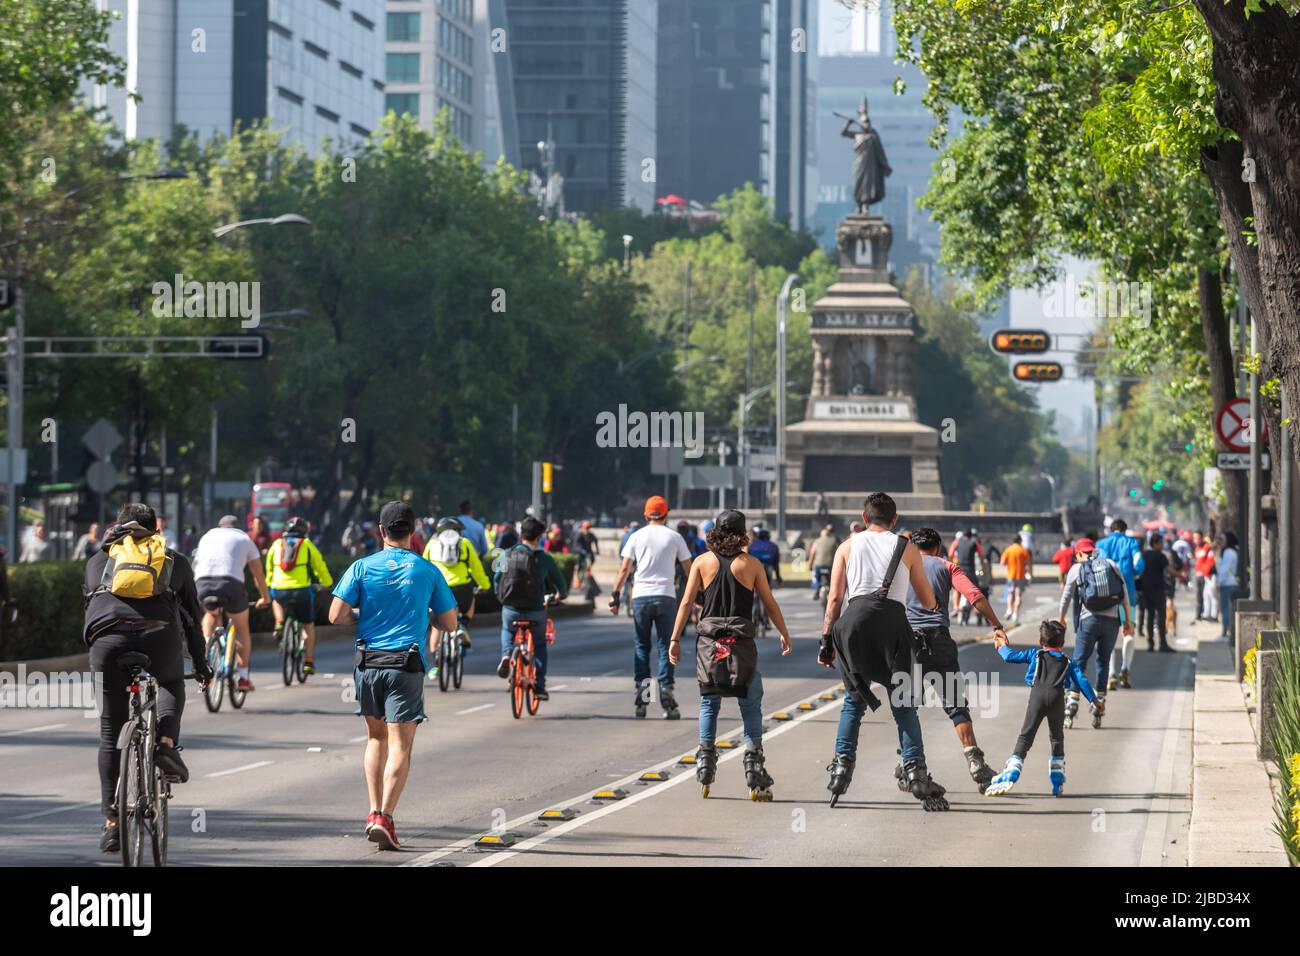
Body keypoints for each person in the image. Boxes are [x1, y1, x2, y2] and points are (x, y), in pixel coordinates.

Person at [83, 502, 211, 853]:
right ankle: (166, 745)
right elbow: (192, 619)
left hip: (109, 640)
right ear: (156, 531)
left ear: (117, 528)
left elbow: (91, 605)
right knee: (170, 683)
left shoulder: (98, 560)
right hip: (160, 636)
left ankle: (111, 822)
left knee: (111, 732)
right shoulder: (173, 560)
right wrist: (201, 666)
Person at [329, 501, 458, 850]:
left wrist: (365, 614)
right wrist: (422, 615)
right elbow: (449, 623)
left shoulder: (361, 567)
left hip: (368, 663)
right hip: (406, 665)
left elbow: (335, 615)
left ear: (381, 531)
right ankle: (385, 816)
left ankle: (372, 811)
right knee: (400, 744)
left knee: (375, 740)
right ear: (413, 532)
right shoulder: (427, 571)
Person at [818, 492, 950, 810]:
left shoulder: (847, 546)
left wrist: (826, 641)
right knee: (904, 704)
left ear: (864, 518)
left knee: (853, 702)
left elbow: (834, 599)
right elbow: (924, 595)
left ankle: (840, 769)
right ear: (895, 520)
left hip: (853, 625)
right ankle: (916, 771)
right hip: (893, 627)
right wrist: (934, 605)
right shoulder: (907, 548)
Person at [669, 509, 793, 799]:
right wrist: (783, 633)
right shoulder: (751, 565)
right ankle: (753, 763)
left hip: (710, 645)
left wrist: (674, 638)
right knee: (750, 704)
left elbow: (687, 602)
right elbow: (770, 604)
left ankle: (705, 761)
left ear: (715, 531)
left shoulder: (702, 562)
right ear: (742, 533)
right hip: (740, 644)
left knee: (709, 703)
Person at [904, 527, 1008, 791]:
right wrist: (997, 625)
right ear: (939, 548)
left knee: (906, 707)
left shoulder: (902, 568)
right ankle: (975, 762)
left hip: (907, 643)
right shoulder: (947, 567)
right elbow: (975, 596)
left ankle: (909, 765)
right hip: (939, 640)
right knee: (956, 706)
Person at [985, 621, 1102, 797]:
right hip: (1057, 700)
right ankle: (1057, 784)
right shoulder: (1068, 662)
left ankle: (1012, 772)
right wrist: (1094, 700)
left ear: (1041, 641)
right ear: (1062, 644)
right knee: (1056, 739)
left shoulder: (1035, 654)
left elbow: (1010, 656)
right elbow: (1082, 681)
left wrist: (1001, 646)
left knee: (1026, 736)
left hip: (1037, 698)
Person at [610, 496, 692, 719]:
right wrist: (698, 594)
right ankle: (666, 689)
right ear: (666, 515)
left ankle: (644, 696)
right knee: (667, 645)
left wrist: (615, 594)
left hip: (640, 597)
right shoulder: (675, 537)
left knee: (641, 646)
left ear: (646, 515)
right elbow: (689, 568)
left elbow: (625, 568)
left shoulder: (636, 537)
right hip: (666, 597)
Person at [1058, 538, 1133, 728]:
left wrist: (1061, 618)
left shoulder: (1076, 569)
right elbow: (1124, 595)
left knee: (1078, 663)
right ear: (1095, 551)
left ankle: (1072, 703)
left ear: (1078, 553)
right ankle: (1099, 704)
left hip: (1088, 621)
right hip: (1111, 623)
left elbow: (1067, 596)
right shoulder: (1111, 564)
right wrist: (1128, 622)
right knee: (1104, 661)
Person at [493, 515, 569, 700]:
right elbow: (562, 586)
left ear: (521, 534)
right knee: (540, 643)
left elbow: (496, 581)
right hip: (536, 609)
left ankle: (506, 654)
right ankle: (540, 685)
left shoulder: (506, 553)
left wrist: (502, 598)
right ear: (538, 537)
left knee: (507, 629)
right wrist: (560, 595)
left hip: (510, 608)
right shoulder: (544, 558)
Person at [193, 515, 270, 692]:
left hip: (202, 583)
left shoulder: (207, 536)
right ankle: (243, 677)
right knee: (241, 627)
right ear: (239, 527)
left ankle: (207, 647)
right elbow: (258, 576)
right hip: (231, 585)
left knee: (210, 614)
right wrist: (265, 598)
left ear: (219, 526)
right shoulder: (245, 538)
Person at [265, 515, 333, 675]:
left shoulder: (276, 544)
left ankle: (280, 622)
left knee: (275, 598)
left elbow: (268, 567)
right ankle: (308, 662)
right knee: (308, 625)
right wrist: (327, 583)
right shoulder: (307, 544)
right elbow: (320, 565)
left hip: (279, 588)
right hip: (302, 590)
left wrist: (270, 583)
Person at [424, 516, 489, 676]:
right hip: (462, 589)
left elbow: (423, 567)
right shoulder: (465, 544)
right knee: (470, 599)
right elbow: (477, 568)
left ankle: (436, 664)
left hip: (439, 589)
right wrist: (486, 585)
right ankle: (462, 624)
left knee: (436, 627)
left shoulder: (432, 545)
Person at [1134, 532, 1172, 661]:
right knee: (1161, 617)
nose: (1162, 545)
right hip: (1158, 590)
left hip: (1146, 590)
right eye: (1161, 543)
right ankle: (1162, 643)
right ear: (1155, 543)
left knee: (1149, 617)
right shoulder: (1161, 556)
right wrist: (1180, 574)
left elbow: (1138, 570)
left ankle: (1150, 643)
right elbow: (1169, 570)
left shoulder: (1143, 555)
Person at [999, 535, 1032, 625]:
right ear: (1020, 541)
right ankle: (1015, 614)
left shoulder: (1008, 549)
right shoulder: (1023, 550)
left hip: (1011, 575)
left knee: (1010, 594)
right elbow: (1028, 564)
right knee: (1018, 596)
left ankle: (1009, 609)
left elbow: (1002, 563)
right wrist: (1028, 573)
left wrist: (1008, 563)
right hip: (1021, 576)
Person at [1216, 531, 1241, 641]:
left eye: (1222, 539)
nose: (1220, 542)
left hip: (1227, 584)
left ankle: (1226, 632)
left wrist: (1218, 582)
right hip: (1230, 584)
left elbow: (1224, 570)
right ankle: (1226, 631)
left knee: (1226, 610)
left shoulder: (1229, 553)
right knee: (1227, 609)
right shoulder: (1231, 552)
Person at [809, 524, 838, 598]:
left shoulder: (817, 541)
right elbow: (838, 553)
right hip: (830, 565)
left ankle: (817, 589)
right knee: (832, 581)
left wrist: (810, 566)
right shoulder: (834, 541)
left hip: (818, 565)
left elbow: (812, 554)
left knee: (816, 578)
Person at [1193, 532, 1216, 621]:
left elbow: (1209, 561)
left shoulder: (1207, 547)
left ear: (1202, 538)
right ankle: (1199, 614)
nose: (1196, 540)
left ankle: (1208, 614)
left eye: (1198, 538)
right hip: (1198, 574)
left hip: (1205, 575)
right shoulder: (1196, 549)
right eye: (1194, 538)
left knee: (1206, 595)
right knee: (1200, 595)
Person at [573, 520, 600, 589]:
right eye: (585, 528)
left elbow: (595, 540)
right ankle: (579, 582)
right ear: (582, 528)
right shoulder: (579, 535)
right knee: (580, 568)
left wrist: (597, 550)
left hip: (588, 553)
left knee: (588, 567)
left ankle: (587, 583)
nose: (587, 530)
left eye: (588, 528)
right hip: (580, 554)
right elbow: (576, 545)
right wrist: (581, 551)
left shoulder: (590, 535)